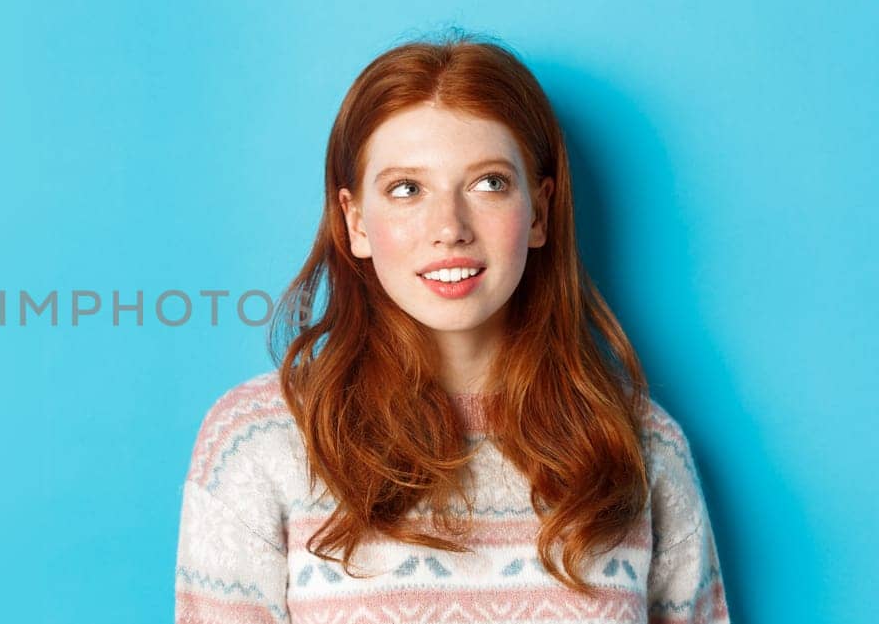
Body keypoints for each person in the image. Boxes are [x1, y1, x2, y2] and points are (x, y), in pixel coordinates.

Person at [173, 31, 730, 623]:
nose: (450, 227)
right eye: (407, 189)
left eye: (489, 183)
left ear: (539, 212)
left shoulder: (639, 445)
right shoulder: (257, 441)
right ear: (355, 221)